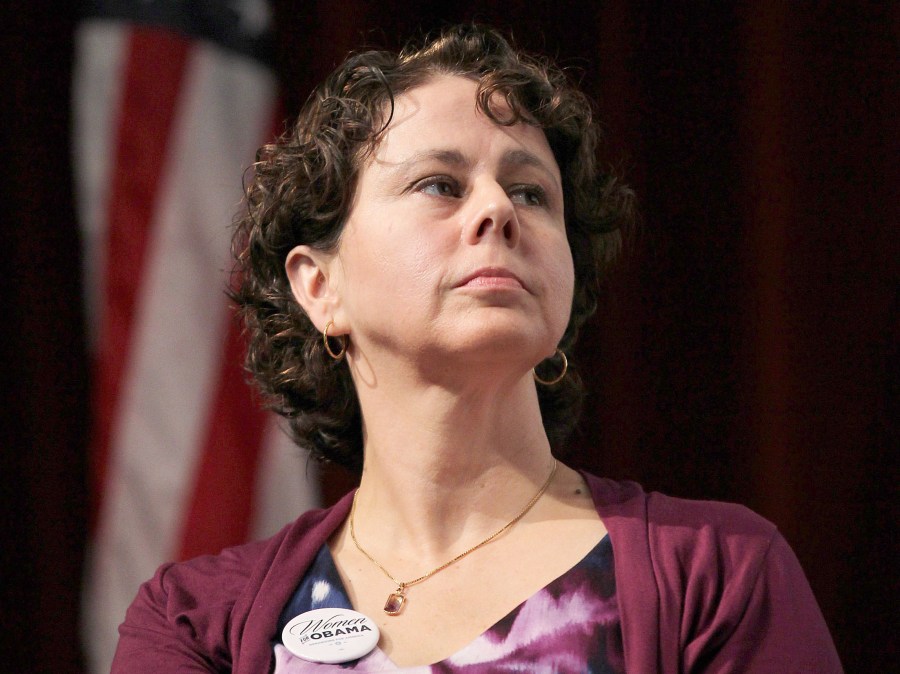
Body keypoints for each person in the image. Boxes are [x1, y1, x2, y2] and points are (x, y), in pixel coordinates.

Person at [112, 24, 842, 673]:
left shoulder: (720, 574)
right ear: (319, 286)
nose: (496, 209)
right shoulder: (194, 624)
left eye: (531, 194)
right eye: (439, 184)